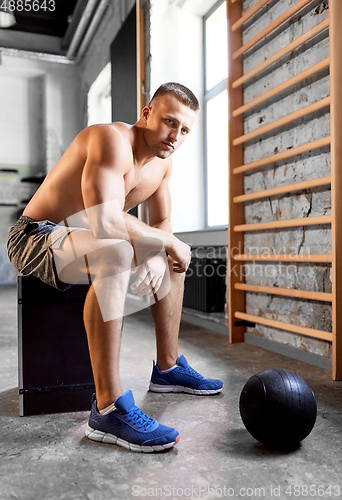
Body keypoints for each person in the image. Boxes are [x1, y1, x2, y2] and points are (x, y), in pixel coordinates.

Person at [7, 82, 223, 453]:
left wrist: (161, 250)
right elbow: (106, 221)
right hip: (36, 236)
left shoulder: (162, 166)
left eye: (184, 129)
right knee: (119, 252)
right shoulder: (111, 140)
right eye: (169, 121)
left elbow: (163, 223)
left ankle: (168, 369)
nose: (175, 135)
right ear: (146, 114)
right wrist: (161, 243)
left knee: (174, 259)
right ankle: (107, 408)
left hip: (86, 239)